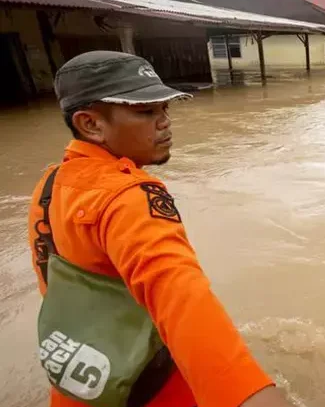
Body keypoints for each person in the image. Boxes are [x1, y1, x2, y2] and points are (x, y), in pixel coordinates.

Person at [28, 51, 294, 407]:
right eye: (146, 112)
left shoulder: (50, 184)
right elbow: (179, 295)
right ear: (91, 124)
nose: (165, 122)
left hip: (79, 387)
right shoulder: (129, 195)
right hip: (148, 389)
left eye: (164, 109)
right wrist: (246, 394)